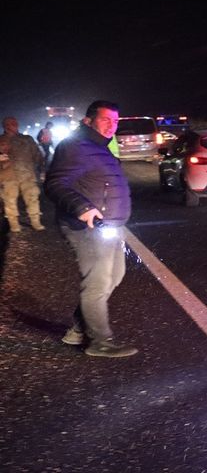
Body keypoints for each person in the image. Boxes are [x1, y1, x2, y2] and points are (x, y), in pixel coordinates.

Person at [45, 100, 137, 358]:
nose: (112, 125)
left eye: (116, 121)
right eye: (106, 119)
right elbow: (55, 183)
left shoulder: (100, 146)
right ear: (88, 120)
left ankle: (78, 329)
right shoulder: (75, 146)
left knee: (114, 277)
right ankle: (99, 341)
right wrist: (82, 208)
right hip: (86, 226)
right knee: (98, 284)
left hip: (110, 226)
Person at [0, 116, 46, 232]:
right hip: (8, 175)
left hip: (27, 174)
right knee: (9, 200)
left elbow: (37, 155)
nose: (14, 125)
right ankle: (14, 224)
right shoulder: (1, 140)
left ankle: (35, 222)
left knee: (32, 198)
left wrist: (42, 169)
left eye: (15, 123)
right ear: (4, 126)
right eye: (10, 123)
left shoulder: (27, 139)